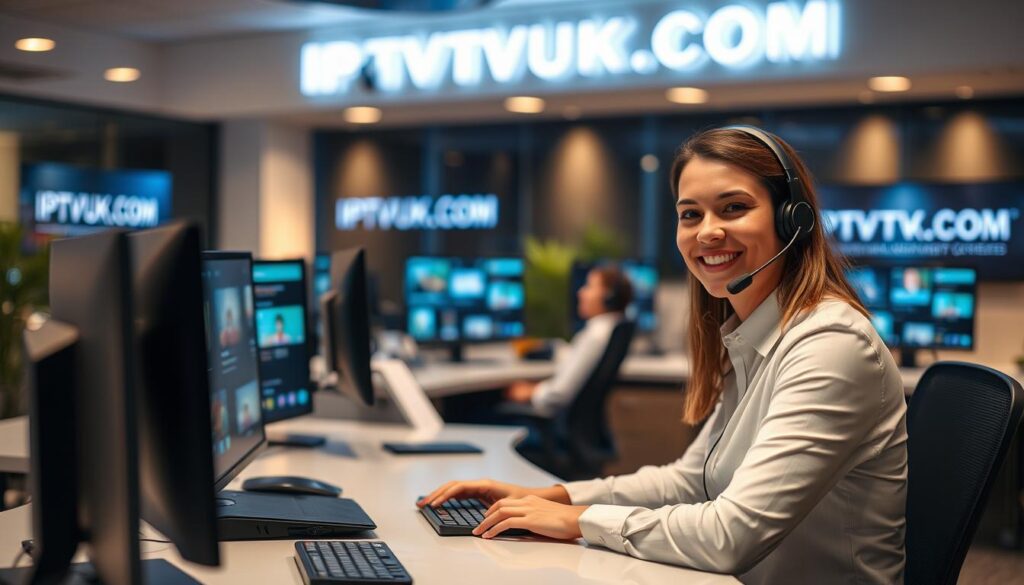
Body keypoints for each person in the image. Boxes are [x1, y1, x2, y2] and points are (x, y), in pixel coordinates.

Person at [418, 127, 907, 584]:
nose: (707, 232)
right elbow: (692, 480)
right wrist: (556, 497)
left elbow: (732, 535)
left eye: (733, 207)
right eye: (690, 214)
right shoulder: (753, 338)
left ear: (792, 221)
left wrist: (579, 519)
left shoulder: (831, 344)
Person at [504, 265, 633, 416]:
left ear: (609, 297)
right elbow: (579, 359)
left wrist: (531, 391)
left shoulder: (595, 335)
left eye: (589, 287)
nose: (581, 292)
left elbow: (558, 395)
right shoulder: (609, 329)